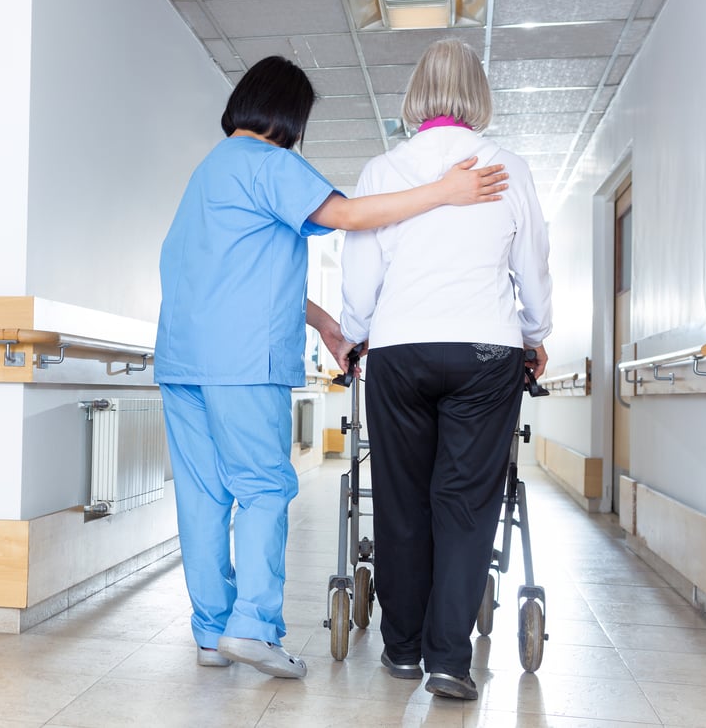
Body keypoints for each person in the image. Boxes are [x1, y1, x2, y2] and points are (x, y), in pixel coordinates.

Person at [154, 54, 509, 680]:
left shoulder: (207, 174)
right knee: (264, 488)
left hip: (183, 359)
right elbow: (347, 215)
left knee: (203, 496)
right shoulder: (270, 163)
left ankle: (211, 631)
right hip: (242, 363)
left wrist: (323, 323)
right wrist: (446, 192)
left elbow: (232, 276)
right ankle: (253, 629)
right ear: (291, 115)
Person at [339, 39, 552, 699]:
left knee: (402, 501)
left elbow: (359, 277)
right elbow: (533, 269)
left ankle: (401, 650)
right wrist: (536, 335)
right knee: (464, 504)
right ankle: (449, 661)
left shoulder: (382, 169)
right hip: (487, 351)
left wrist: (353, 338)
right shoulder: (510, 167)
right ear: (479, 96)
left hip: (399, 351)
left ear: (414, 97)